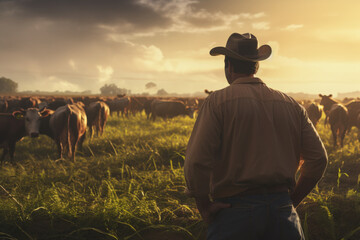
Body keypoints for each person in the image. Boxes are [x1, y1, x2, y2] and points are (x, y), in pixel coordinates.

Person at [184, 33, 328, 240]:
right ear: (256, 66)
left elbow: (196, 162)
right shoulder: (291, 105)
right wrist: (291, 201)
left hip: (233, 214)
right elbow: (319, 159)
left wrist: (204, 206)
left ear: (229, 66)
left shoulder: (217, 102)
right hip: (283, 213)